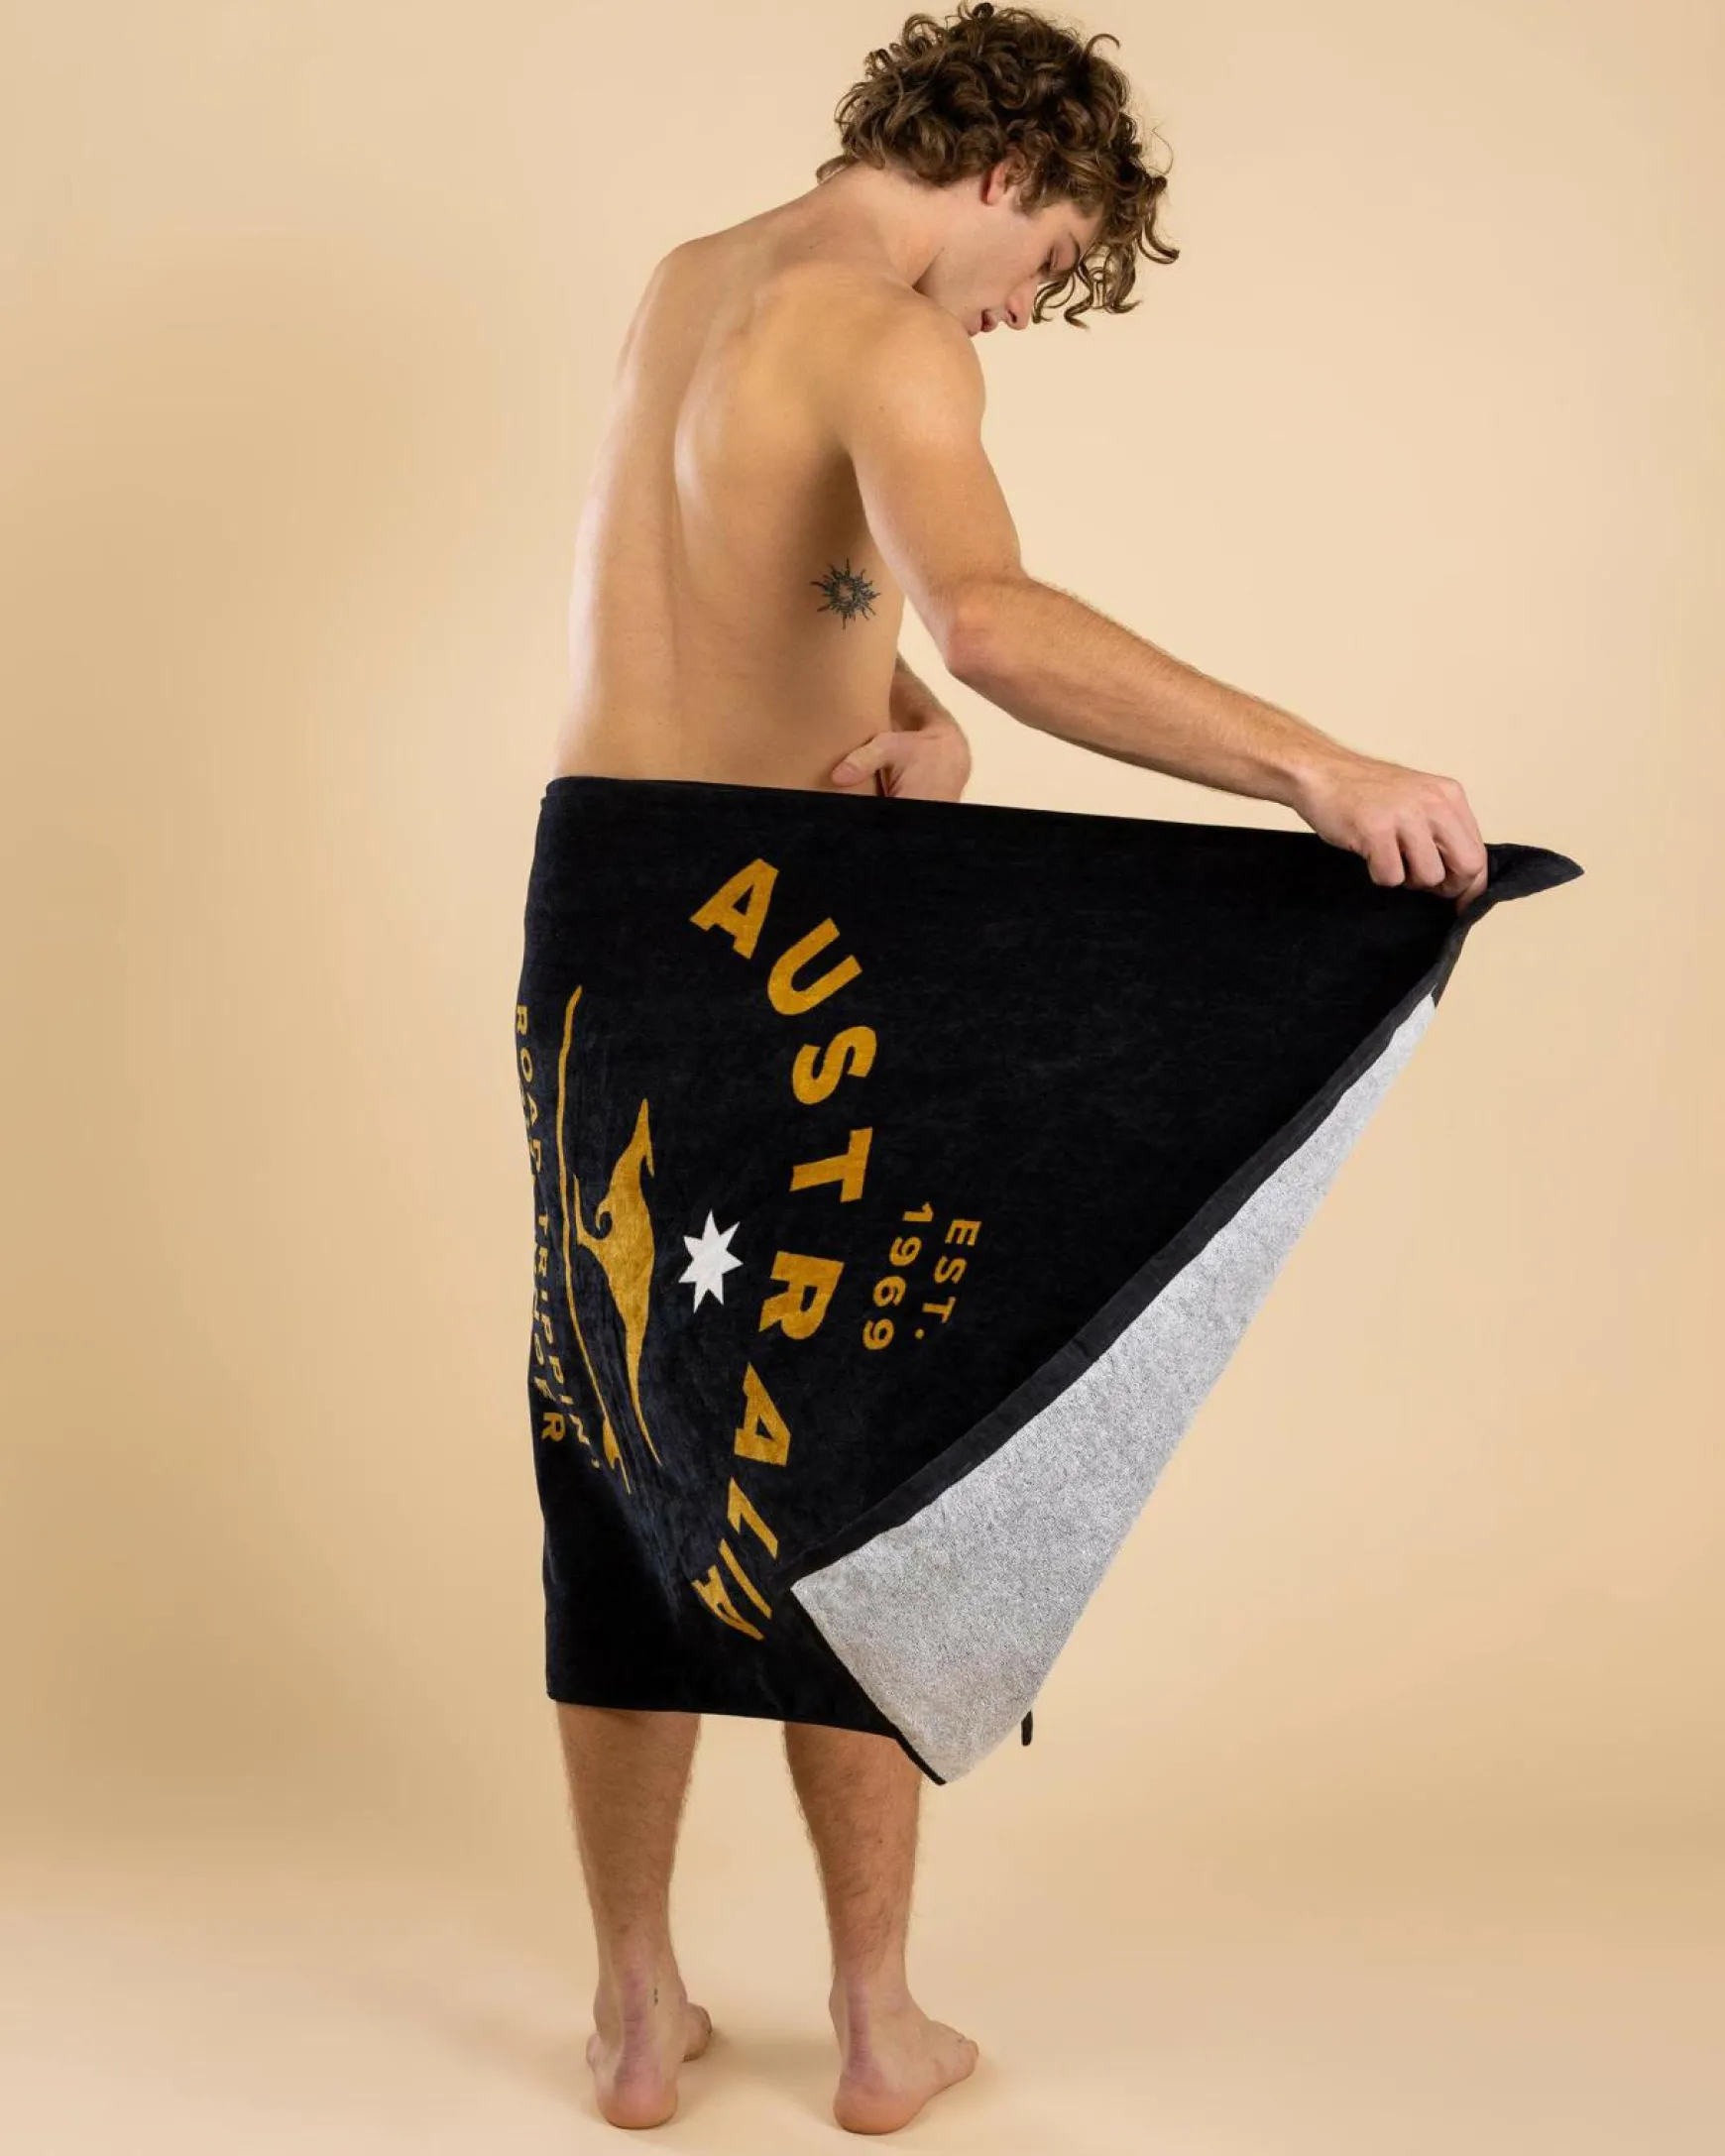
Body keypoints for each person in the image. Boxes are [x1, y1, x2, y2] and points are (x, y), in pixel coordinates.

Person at [545, 3, 1489, 2133]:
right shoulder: (889, 330)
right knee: (850, 1448)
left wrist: (903, 713)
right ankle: (878, 2024)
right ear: (1005, 170)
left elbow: (736, 579)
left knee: (611, 1422)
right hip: (779, 937)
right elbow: (987, 606)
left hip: (595, 902)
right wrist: (1315, 769)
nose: (1027, 306)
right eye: (1052, 260)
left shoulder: (690, 283)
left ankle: (632, 2010)